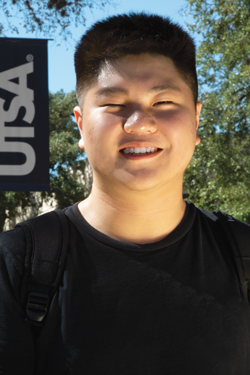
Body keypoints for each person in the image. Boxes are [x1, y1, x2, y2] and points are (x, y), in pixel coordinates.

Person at [0, 12, 249, 375]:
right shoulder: (17, 264)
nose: (140, 123)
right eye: (114, 105)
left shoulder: (243, 254)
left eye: (163, 103)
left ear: (197, 121)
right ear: (81, 126)